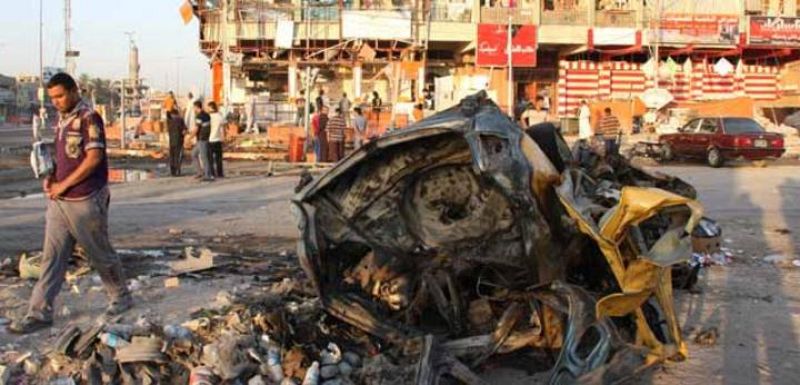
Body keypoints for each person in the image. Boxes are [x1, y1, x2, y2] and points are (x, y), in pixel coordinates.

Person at [9, 73, 132, 334]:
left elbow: (94, 157)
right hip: (59, 201)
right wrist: (51, 178)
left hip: (85, 199)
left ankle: (120, 297)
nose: (56, 101)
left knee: (99, 253)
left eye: (60, 96)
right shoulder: (62, 121)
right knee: (52, 258)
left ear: (74, 91)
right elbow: (62, 157)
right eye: (52, 97)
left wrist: (63, 185)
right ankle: (39, 312)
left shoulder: (89, 118)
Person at [191, 101, 214, 181]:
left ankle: (208, 175)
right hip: (205, 138)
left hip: (202, 139)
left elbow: (197, 129)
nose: (193, 109)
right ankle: (199, 172)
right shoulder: (207, 115)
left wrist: (190, 137)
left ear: (197, 107)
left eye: (194, 107)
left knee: (204, 157)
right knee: (194, 154)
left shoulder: (200, 116)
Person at [167, 108, 187, 176]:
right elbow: (184, 131)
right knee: (177, 156)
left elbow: (167, 114)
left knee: (172, 156)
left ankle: (173, 171)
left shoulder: (169, 120)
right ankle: (177, 170)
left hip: (171, 141)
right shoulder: (180, 120)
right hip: (179, 140)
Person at [208, 101, 225, 178]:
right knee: (218, 158)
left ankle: (212, 173)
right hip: (218, 139)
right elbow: (224, 126)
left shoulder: (208, 117)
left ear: (211, 107)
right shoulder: (219, 116)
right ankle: (220, 173)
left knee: (210, 158)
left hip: (210, 139)